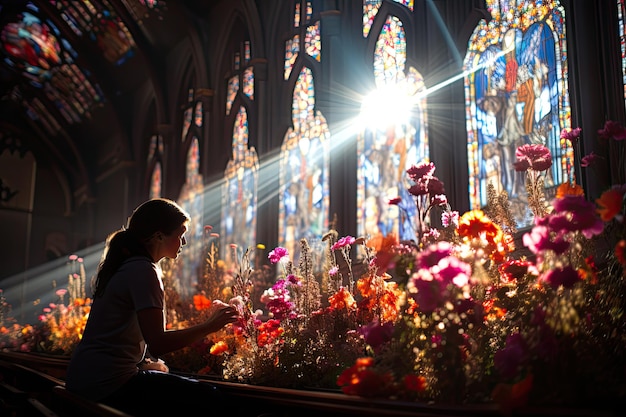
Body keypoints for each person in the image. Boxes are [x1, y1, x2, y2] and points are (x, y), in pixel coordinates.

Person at [65, 198, 240, 416]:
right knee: (213, 397)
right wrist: (210, 325)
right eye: (180, 234)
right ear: (158, 236)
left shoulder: (127, 266)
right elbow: (158, 342)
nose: (183, 242)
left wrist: (146, 364)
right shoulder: (143, 270)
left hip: (85, 378)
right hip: (107, 383)